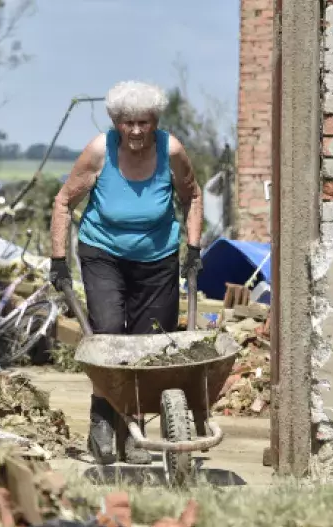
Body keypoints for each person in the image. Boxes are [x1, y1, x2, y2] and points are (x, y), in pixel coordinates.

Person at [48, 81, 204, 464]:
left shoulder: (173, 151)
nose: (135, 131)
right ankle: (103, 420)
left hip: (159, 256)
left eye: (143, 122)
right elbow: (65, 201)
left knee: (148, 344)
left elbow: (192, 196)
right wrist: (57, 261)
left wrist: (194, 248)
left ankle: (134, 428)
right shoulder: (101, 151)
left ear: (155, 122)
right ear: (117, 122)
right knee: (109, 331)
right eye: (128, 123)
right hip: (104, 254)